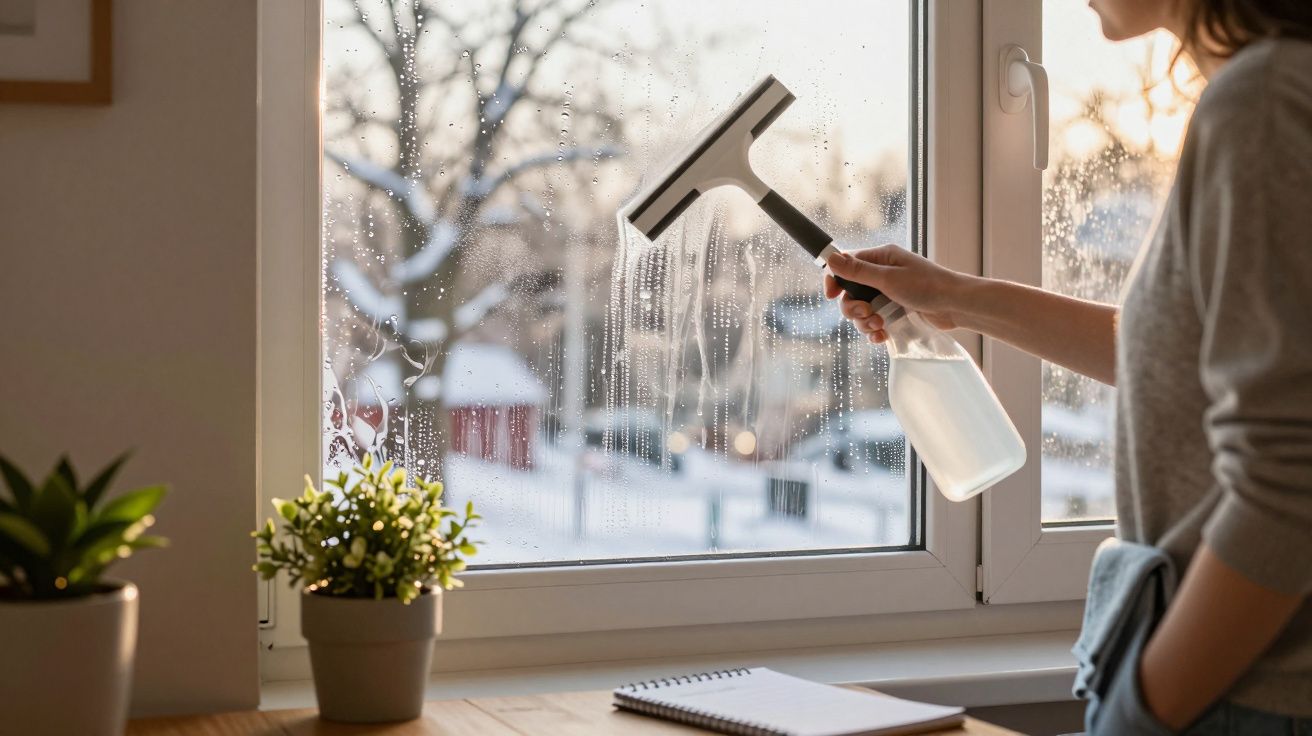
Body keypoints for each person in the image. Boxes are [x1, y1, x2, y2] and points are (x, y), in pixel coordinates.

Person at [824, 1, 1312, 733]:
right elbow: (1181, 362)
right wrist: (953, 297)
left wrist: (1140, 711)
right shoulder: (1271, 93)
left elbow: (1291, 479)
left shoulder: (1265, 103)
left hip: (1250, 696)